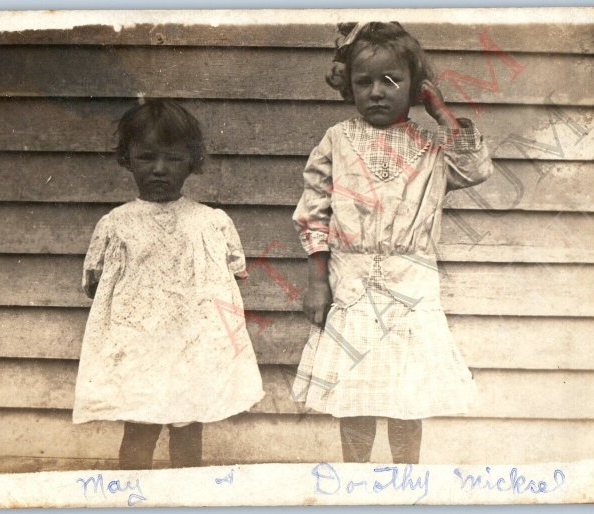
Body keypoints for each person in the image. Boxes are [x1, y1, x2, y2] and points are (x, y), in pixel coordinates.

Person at [292, 22, 494, 464]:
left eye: (392, 81)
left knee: (408, 392)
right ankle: (355, 482)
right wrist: (317, 282)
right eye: (364, 82)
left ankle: (406, 482)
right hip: (352, 280)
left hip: (411, 286)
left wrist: (438, 109)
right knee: (355, 389)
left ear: (414, 86)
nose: (378, 92)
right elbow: (315, 211)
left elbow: (476, 169)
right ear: (348, 85)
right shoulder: (337, 140)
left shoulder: (430, 147)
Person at [72, 99, 265, 469]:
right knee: (140, 428)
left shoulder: (211, 223)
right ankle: (130, 499)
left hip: (191, 347)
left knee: (188, 429)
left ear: (192, 162)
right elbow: (96, 285)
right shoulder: (116, 224)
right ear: (127, 159)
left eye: (173, 159)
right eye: (146, 157)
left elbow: (234, 273)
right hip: (139, 346)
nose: (159, 169)